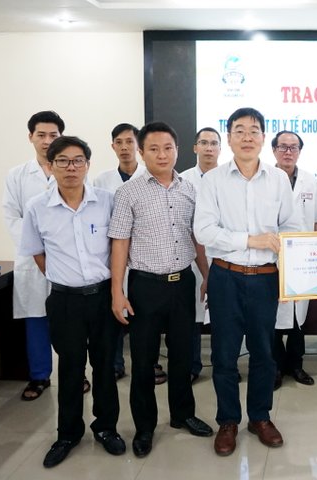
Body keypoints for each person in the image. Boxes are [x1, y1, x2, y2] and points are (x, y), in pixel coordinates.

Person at [194, 107, 301, 456]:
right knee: (224, 355)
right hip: (225, 276)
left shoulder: (278, 179)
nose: (247, 137)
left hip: (265, 279)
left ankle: (260, 417)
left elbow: (292, 227)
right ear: (229, 138)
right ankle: (228, 421)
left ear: (263, 138)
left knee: (264, 354)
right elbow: (204, 230)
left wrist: (290, 262)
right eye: (239, 130)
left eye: (254, 130)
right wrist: (251, 240)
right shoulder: (213, 180)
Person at [19, 136, 125, 467]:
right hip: (65, 301)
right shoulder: (37, 207)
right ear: (51, 166)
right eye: (62, 161)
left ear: (88, 165)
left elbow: (119, 247)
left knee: (105, 367)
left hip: (102, 297)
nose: (71, 167)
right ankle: (68, 434)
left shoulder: (107, 201)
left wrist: (115, 292)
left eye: (78, 160)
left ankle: (106, 428)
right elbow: (37, 252)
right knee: (70, 369)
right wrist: (62, 278)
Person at [109, 121, 212, 458]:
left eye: (168, 148)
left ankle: (183, 414)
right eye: (153, 149)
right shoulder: (128, 193)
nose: (162, 155)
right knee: (143, 360)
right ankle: (145, 427)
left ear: (177, 150)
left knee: (182, 355)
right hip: (145, 286)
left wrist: (206, 274)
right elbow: (120, 243)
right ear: (141, 152)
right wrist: (117, 292)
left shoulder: (189, 189)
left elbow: (196, 237)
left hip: (182, 283)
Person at [93, 123, 158, 383]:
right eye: (119, 142)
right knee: (115, 310)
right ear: (113, 147)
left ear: (138, 146)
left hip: (144, 258)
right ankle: (117, 362)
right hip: (115, 254)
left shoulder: (150, 175)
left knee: (145, 316)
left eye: (129, 141)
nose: (124, 147)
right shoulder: (102, 180)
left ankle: (152, 363)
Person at [2, 111, 61, 401]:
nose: (47, 141)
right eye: (41, 135)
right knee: (36, 318)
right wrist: (37, 247)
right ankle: (39, 376)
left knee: (67, 321)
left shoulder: (70, 169)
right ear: (31, 137)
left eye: (53, 135)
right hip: (32, 259)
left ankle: (75, 375)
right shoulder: (17, 175)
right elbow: (12, 217)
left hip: (65, 259)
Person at [271, 130, 317, 390]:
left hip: (302, 258)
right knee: (273, 317)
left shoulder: (311, 181)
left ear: (300, 152)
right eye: (283, 147)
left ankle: (296, 365)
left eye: (293, 147)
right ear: (274, 150)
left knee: (298, 318)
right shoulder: (265, 179)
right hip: (271, 258)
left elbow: (316, 221)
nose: (288, 152)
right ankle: (276, 367)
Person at [180, 126, 222, 383]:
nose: (209, 148)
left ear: (220, 149)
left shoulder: (229, 178)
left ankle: (222, 365)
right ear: (195, 147)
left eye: (214, 143)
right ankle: (193, 365)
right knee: (192, 317)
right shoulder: (182, 180)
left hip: (222, 257)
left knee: (222, 317)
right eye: (204, 143)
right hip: (191, 259)